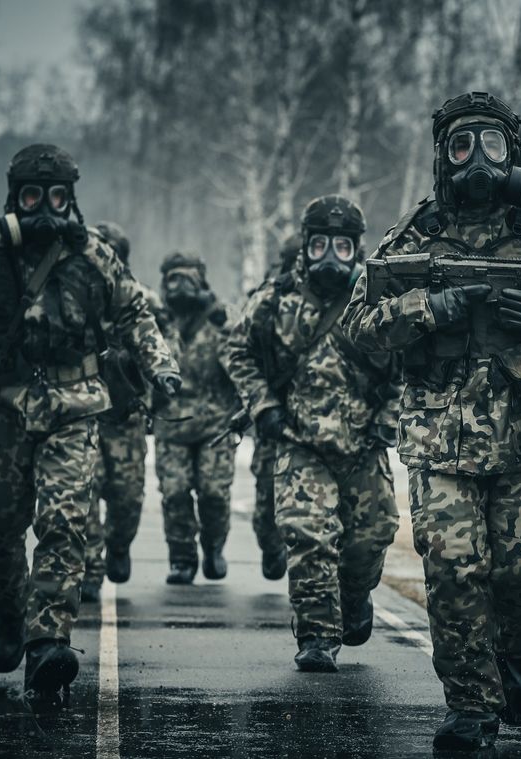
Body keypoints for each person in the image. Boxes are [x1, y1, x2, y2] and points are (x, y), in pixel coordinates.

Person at [342, 92, 521, 750]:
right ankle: (469, 704)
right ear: (443, 156)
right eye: (462, 146)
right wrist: (429, 310)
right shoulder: (413, 235)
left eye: (491, 145)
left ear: (512, 153)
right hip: (438, 435)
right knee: (451, 570)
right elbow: (359, 326)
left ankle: (516, 648)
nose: (477, 161)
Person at [0, 144, 181, 707]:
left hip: (74, 405)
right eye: (34, 195)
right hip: (0, 411)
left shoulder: (92, 254)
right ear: (15, 195)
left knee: (66, 521)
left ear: (72, 197)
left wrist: (161, 367)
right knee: (2, 523)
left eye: (57, 195)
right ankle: (8, 614)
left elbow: (135, 311)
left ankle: (47, 641)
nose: (45, 207)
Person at [225, 195, 401, 673]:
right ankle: (318, 636)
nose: (330, 256)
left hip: (364, 444)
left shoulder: (377, 300)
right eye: (320, 244)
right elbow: (235, 350)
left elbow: (408, 363)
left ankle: (355, 595)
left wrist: (389, 416)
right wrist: (262, 406)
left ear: (356, 249)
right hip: (299, 443)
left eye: (342, 247)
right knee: (308, 535)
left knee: (372, 537)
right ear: (305, 245)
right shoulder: (275, 298)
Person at [79, 221, 155, 601]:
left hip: (126, 419)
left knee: (127, 498)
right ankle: (90, 571)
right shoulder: (71, 298)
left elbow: (163, 348)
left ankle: (118, 545)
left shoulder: (141, 301)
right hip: (82, 415)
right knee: (84, 493)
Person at [154, 253, 240, 584]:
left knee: (214, 492)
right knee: (174, 492)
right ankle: (181, 558)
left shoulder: (220, 318)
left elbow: (243, 361)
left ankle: (214, 547)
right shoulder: (158, 322)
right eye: (172, 279)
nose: (179, 287)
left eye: (186, 279)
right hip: (171, 423)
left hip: (215, 423)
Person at [247, 237, 300, 581]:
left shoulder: (347, 294)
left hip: (325, 422)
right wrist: (262, 403)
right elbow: (241, 354)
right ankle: (271, 546)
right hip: (274, 422)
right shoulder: (267, 300)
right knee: (268, 503)